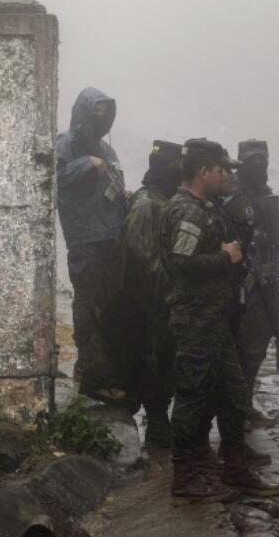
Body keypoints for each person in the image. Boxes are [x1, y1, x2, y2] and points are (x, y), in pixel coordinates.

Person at [162, 139, 279, 504]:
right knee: (192, 399)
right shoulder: (187, 212)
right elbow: (181, 265)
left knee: (233, 396)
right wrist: (224, 258)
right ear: (204, 172)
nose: (228, 175)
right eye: (222, 170)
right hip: (196, 322)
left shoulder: (206, 207)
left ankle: (235, 469)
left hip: (217, 321)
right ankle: (185, 476)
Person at [56, 87, 126, 397]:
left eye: (105, 113)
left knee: (109, 306)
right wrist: (88, 164)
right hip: (84, 240)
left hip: (110, 238)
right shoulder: (66, 144)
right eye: (95, 112)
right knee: (87, 305)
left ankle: (105, 369)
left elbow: (118, 185)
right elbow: (52, 177)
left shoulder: (107, 150)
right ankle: (88, 368)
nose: (100, 120)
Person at [114, 140, 182, 447]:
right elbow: (142, 258)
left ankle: (157, 419)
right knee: (154, 363)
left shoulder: (161, 202)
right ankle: (155, 422)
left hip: (158, 302)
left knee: (163, 362)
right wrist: (172, 286)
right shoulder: (148, 206)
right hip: (149, 304)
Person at [223, 139, 279, 432]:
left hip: (268, 284)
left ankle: (244, 405)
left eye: (262, 159)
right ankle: (234, 412)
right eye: (252, 160)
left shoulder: (266, 194)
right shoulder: (230, 197)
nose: (258, 165)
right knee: (242, 352)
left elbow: (275, 242)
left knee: (258, 348)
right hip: (243, 287)